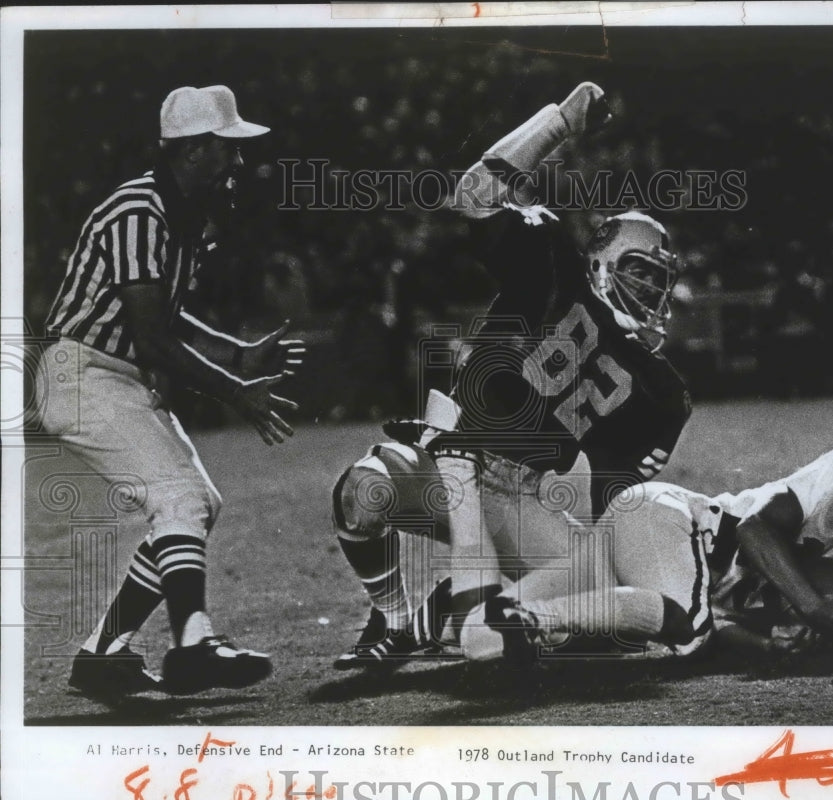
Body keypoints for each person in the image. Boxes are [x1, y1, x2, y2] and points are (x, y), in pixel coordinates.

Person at [331, 82, 695, 667]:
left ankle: (443, 613)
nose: (649, 289)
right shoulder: (550, 264)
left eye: (658, 280)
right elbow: (473, 192)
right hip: (448, 460)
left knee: (598, 616)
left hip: (524, 498)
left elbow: (616, 511)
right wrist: (561, 122)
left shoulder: (661, 391)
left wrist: (598, 563)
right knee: (361, 492)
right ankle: (397, 620)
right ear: (600, 262)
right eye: (638, 271)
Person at [37, 85, 304, 700]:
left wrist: (236, 353)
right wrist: (238, 389)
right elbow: (152, 337)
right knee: (180, 497)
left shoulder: (174, 213)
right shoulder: (141, 210)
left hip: (111, 376)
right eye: (227, 149)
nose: (238, 164)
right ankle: (194, 641)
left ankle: (105, 656)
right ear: (193, 152)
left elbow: (164, 315)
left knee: (195, 506)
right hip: (84, 374)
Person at [478, 448, 833, 663]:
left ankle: (418, 620)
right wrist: (813, 608)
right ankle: (540, 617)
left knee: (479, 639)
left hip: (651, 562)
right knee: (686, 633)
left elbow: (720, 621)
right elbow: (756, 531)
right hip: (670, 521)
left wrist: (768, 646)